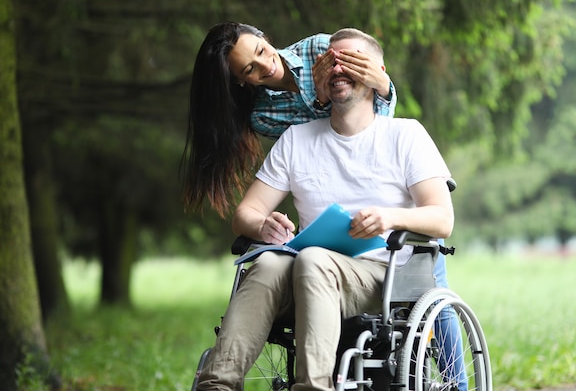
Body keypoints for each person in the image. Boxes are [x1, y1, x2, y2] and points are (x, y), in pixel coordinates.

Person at [195, 28, 466, 391]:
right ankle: (217, 385)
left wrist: (390, 217)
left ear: (375, 72)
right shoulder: (295, 138)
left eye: (350, 61)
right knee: (268, 262)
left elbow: (442, 218)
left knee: (314, 260)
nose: (339, 68)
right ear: (318, 72)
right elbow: (244, 214)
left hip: (380, 276)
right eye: (331, 62)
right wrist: (264, 227)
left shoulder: (406, 136)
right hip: (310, 272)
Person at [180, 21, 397, 218]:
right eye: (250, 69)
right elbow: (312, 148)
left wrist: (383, 84)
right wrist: (320, 100)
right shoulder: (263, 116)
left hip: (375, 162)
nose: (265, 65)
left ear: (264, 38)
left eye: (261, 51)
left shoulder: (319, 49)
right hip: (331, 184)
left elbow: (370, 117)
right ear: (240, 81)